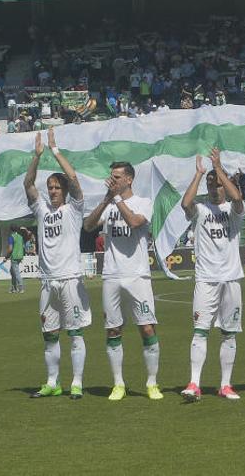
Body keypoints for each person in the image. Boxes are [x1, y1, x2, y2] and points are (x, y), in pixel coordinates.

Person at [82, 161, 163, 401]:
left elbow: (135, 223)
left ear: (129, 179)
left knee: (147, 327)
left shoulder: (143, 202)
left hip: (137, 274)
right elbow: (88, 226)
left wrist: (117, 199)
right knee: (113, 329)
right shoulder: (109, 204)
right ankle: (118, 383)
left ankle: (152, 382)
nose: (112, 181)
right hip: (112, 275)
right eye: (111, 177)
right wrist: (107, 200)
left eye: (117, 177)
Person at [24, 128, 91, 400]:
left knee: (74, 333)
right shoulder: (41, 210)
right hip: (47, 282)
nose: (52, 191)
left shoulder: (73, 210)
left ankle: (76, 382)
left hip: (70, 279)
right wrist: (36, 157)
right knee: (49, 334)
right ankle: (53, 382)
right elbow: (28, 184)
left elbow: (73, 178)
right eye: (50, 188)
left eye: (56, 187)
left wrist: (55, 151)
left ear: (64, 191)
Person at [179, 147, 245, 402]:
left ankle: (225, 385)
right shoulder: (201, 210)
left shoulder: (233, 210)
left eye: (218, 183)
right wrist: (200, 174)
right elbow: (185, 203)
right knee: (200, 330)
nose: (214, 187)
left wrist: (219, 169)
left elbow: (237, 198)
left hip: (231, 279)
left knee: (229, 332)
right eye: (211, 183)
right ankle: (194, 383)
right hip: (206, 279)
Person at [4, 226, 25, 294]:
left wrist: (6, 257)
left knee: (16, 272)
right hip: (20, 256)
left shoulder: (11, 237)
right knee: (12, 271)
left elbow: (10, 249)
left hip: (14, 256)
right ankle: (14, 288)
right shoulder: (20, 237)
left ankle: (20, 288)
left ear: (11, 230)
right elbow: (22, 246)